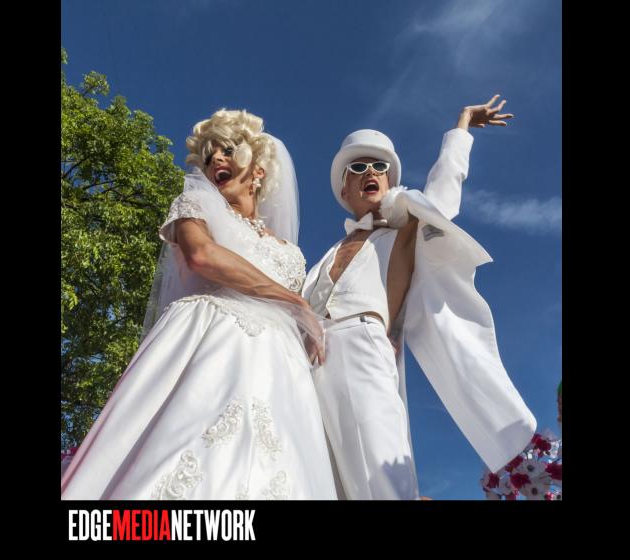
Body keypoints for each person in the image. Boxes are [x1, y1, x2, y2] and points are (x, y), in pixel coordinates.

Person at [61, 109, 337, 500]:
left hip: (280, 368)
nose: (215, 160)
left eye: (228, 150)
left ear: (258, 171)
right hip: (210, 340)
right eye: (208, 157)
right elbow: (202, 255)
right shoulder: (194, 206)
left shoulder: (291, 253)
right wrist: (294, 301)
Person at [302, 95, 537, 499]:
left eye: (380, 167)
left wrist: (461, 127)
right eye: (358, 167)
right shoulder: (324, 256)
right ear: (344, 187)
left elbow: (442, 194)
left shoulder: (406, 227)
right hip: (306, 360)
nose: (371, 172)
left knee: (380, 474)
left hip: (361, 344)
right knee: (316, 477)